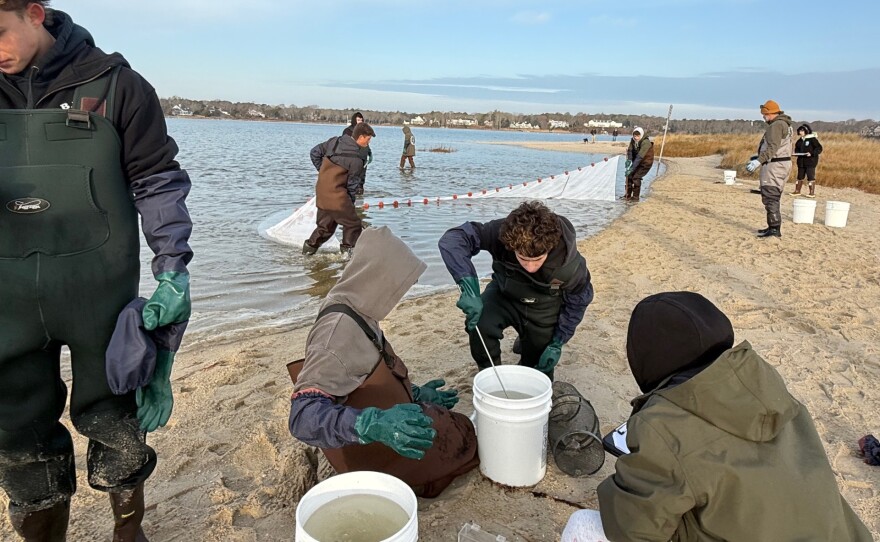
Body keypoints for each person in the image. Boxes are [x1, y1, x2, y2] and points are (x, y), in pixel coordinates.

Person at [0, 2, 193, 540]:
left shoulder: (119, 87)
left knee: (116, 421)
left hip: (100, 297)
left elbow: (157, 183)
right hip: (4, 305)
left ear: (34, 14)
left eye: (0, 33)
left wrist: (173, 267)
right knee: (18, 437)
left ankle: (128, 532)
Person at [563, 291, 872, 542]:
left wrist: (627, 475)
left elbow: (632, 530)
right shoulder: (763, 385)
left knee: (583, 527)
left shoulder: (662, 426)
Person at [288, 226, 479, 498]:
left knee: (449, 422)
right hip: (360, 445)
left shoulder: (355, 304)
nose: (402, 294)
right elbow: (302, 417)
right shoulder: (335, 335)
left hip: (371, 416)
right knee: (461, 439)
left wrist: (413, 392)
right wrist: (373, 424)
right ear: (378, 278)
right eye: (399, 285)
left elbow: (358, 371)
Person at [438, 201, 594, 381]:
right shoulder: (500, 233)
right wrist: (467, 285)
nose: (530, 267)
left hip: (544, 307)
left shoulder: (572, 266)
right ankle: (489, 374)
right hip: (503, 294)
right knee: (479, 324)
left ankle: (528, 347)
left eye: (537, 260)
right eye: (522, 258)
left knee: (538, 368)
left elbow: (578, 303)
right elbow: (453, 239)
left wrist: (559, 341)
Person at [303, 122, 375, 259]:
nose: (369, 142)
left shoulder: (334, 142)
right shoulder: (357, 160)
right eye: (368, 139)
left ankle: (306, 255)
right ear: (360, 137)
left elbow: (314, 153)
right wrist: (350, 207)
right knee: (353, 224)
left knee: (324, 228)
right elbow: (351, 188)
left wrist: (323, 173)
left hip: (322, 192)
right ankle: (347, 258)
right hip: (338, 198)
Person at [746, 99, 793, 238]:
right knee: (773, 195)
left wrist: (759, 161)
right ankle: (772, 226)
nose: (763, 117)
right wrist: (759, 156)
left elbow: (773, 148)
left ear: (771, 113)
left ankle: (774, 229)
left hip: (774, 166)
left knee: (770, 195)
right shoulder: (786, 124)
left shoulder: (776, 125)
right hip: (782, 164)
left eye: (765, 114)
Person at [342, 111, 372, 197]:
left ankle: (360, 193)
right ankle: (349, 194)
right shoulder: (348, 131)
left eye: (361, 120)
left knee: (362, 176)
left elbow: (366, 143)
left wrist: (369, 152)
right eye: (358, 120)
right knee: (352, 176)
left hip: (363, 156)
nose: (360, 122)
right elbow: (344, 144)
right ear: (354, 120)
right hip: (353, 157)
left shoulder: (364, 131)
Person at [792, 122, 822, 198]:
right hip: (801, 162)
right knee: (800, 176)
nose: (800, 132)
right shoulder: (799, 141)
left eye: (802, 131)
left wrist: (811, 153)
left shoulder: (812, 139)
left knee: (810, 176)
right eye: (800, 131)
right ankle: (797, 190)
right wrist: (796, 153)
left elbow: (819, 148)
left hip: (810, 162)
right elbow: (797, 149)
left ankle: (811, 192)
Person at [624, 127, 654, 202]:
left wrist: (631, 168)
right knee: (629, 176)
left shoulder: (646, 142)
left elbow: (639, 157)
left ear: (641, 135)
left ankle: (635, 197)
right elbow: (630, 152)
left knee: (636, 177)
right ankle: (627, 195)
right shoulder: (632, 141)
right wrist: (629, 163)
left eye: (638, 136)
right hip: (636, 161)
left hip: (645, 163)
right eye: (634, 136)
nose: (636, 137)